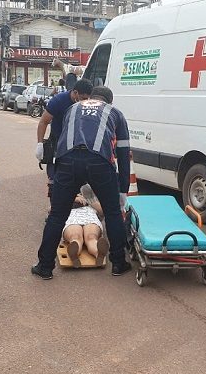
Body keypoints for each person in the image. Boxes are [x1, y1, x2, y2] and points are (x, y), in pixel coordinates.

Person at [32, 86, 132, 279]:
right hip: (99, 162)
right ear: (109, 101)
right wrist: (123, 189)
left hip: (67, 161)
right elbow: (123, 152)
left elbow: (61, 138)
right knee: (112, 213)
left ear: (91, 97)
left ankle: (44, 267)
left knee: (57, 215)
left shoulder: (72, 108)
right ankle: (119, 263)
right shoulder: (115, 113)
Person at [35, 78, 93, 203]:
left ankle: (74, 207)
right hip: (58, 142)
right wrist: (40, 144)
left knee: (77, 179)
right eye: (83, 98)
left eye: (87, 98)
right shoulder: (59, 101)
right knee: (54, 180)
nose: (85, 101)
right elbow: (44, 121)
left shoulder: (88, 104)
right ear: (75, 92)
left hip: (77, 143)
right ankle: (54, 207)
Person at [63, 185, 110, 267]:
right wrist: (73, 198)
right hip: (72, 213)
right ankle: (74, 254)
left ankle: (99, 253)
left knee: (91, 236)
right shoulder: (65, 184)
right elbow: (54, 206)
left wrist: (89, 200)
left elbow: (103, 211)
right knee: (75, 236)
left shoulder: (93, 187)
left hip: (90, 214)